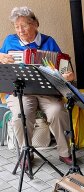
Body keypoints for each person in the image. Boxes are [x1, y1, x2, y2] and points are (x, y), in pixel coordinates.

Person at [0, 7, 73, 166]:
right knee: (21, 114)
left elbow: (64, 67)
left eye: (24, 25)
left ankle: (64, 152)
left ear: (35, 24)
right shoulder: (9, 41)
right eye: (17, 26)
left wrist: (68, 74)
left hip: (46, 92)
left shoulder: (49, 42)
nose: (20, 30)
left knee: (57, 111)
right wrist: (1, 57)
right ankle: (27, 152)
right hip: (21, 91)